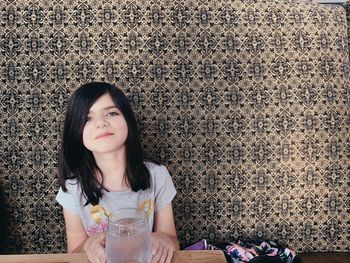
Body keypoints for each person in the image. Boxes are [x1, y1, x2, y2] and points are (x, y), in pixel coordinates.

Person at [56, 82, 179, 263]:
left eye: (111, 113)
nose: (101, 123)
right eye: (87, 119)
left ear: (128, 120)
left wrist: (163, 240)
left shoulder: (157, 175)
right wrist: (88, 245)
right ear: (76, 131)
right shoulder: (72, 189)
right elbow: (74, 253)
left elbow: (172, 242)